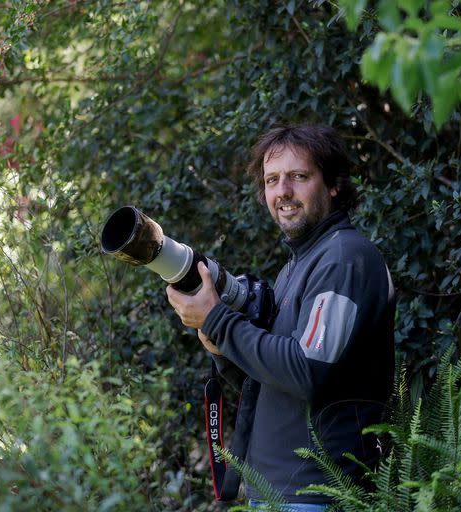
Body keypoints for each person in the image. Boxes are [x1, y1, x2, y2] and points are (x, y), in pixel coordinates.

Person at [166, 124, 395, 510]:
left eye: (298, 176)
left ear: (333, 185)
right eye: (272, 180)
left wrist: (220, 320)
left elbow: (307, 370)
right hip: (276, 495)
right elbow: (271, 380)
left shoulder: (345, 258)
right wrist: (221, 345)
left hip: (317, 496)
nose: (283, 192)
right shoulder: (296, 266)